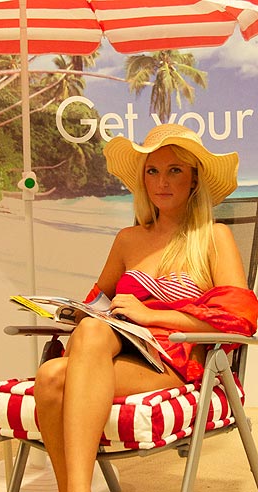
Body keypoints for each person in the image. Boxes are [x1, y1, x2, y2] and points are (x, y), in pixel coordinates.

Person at [33, 123, 258, 492]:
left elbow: (239, 318)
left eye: (174, 170)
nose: (161, 182)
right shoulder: (128, 239)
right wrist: (73, 311)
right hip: (118, 347)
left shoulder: (213, 237)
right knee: (53, 372)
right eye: (152, 171)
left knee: (58, 371)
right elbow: (98, 303)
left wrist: (151, 315)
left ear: (194, 179)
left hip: (173, 360)